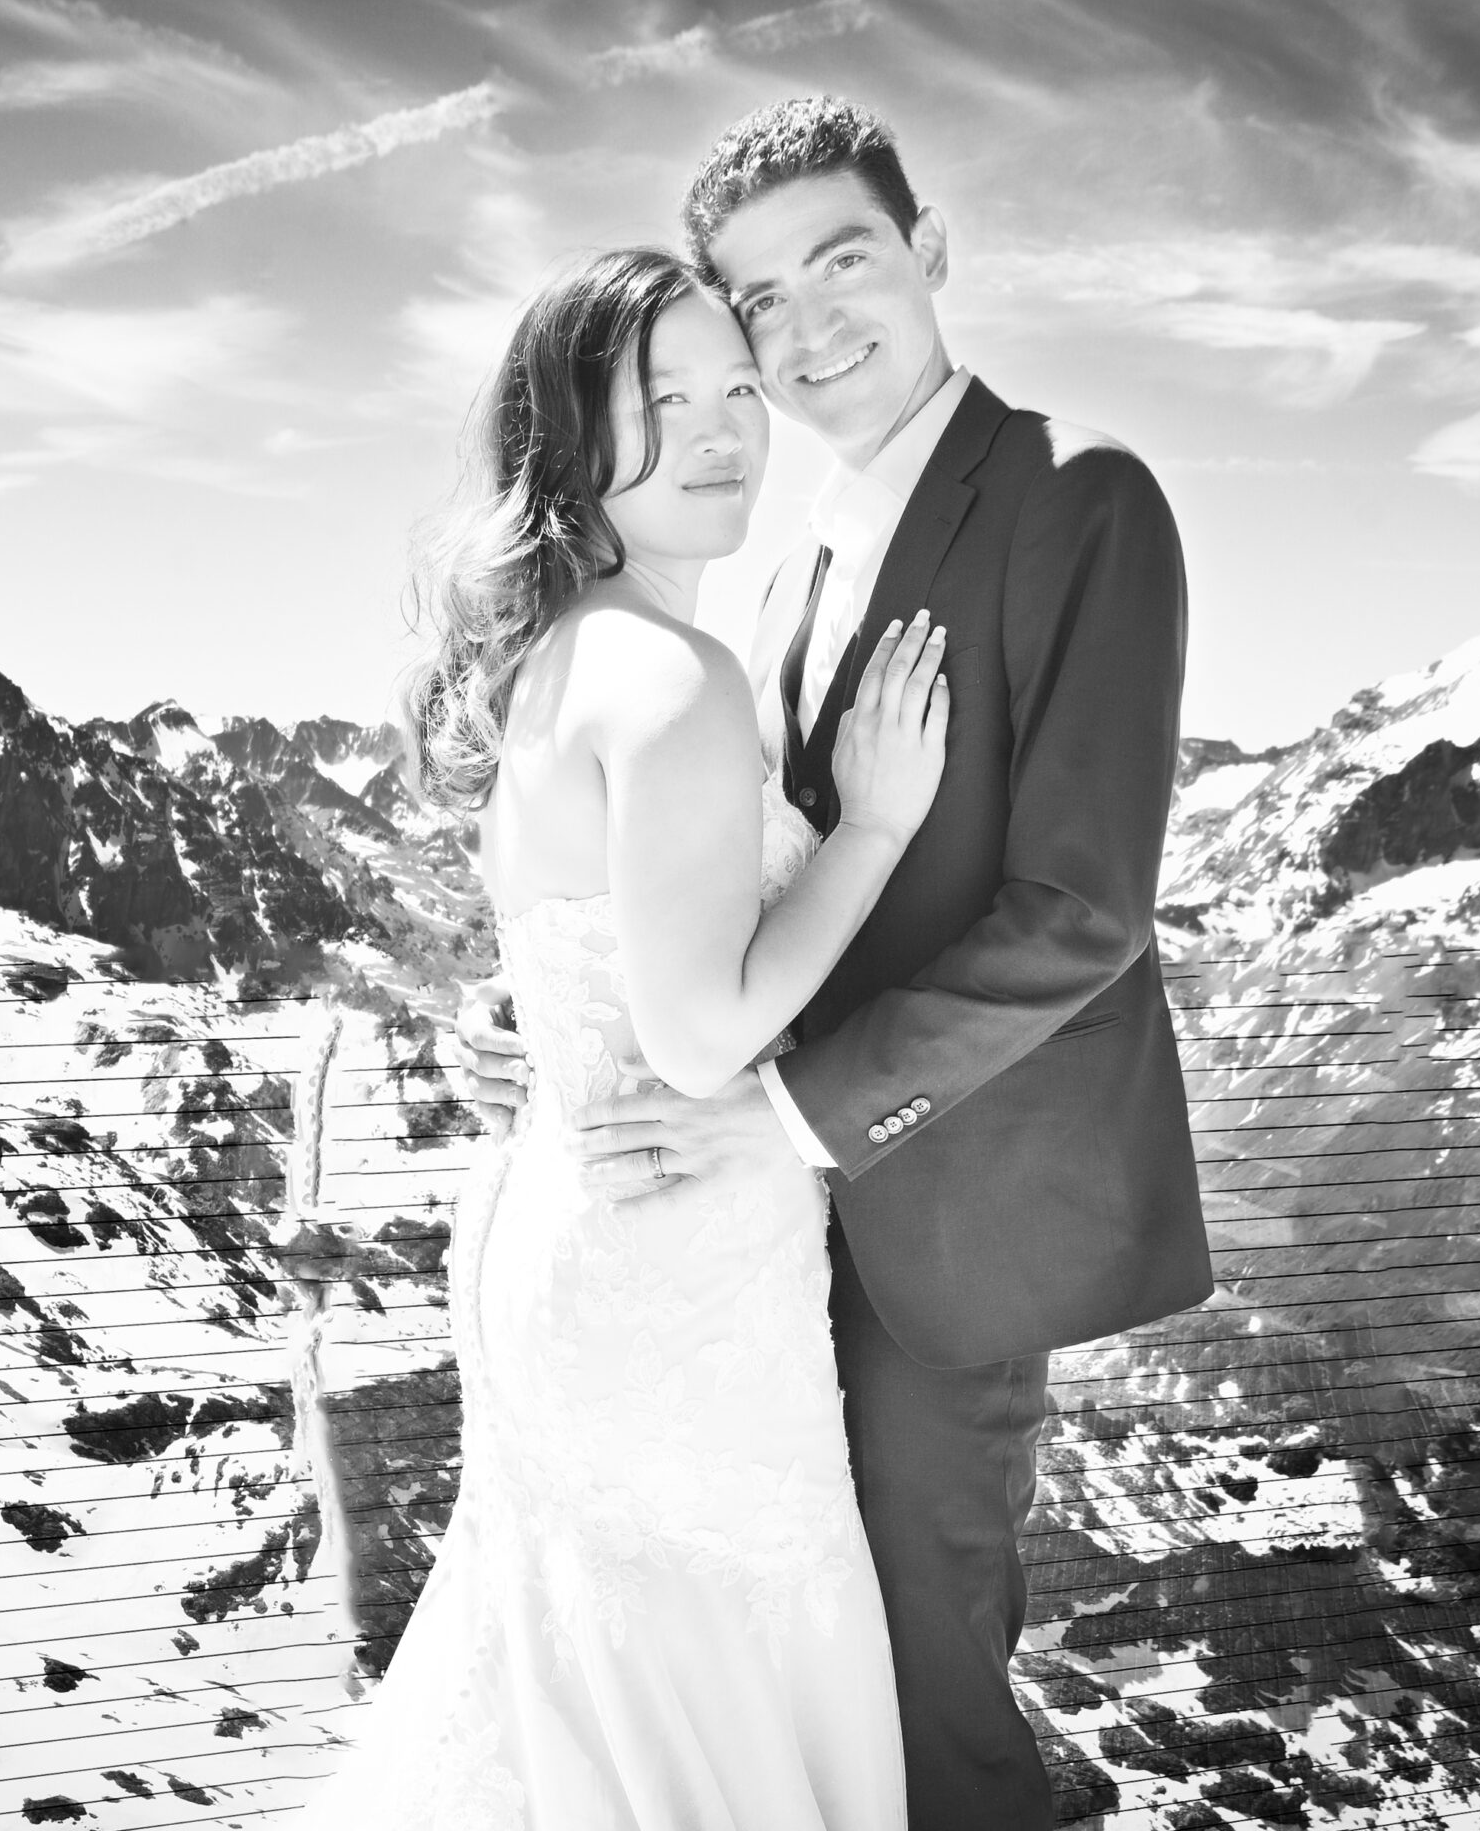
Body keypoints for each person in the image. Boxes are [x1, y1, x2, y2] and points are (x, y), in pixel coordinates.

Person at [458, 97, 1214, 1828]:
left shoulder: (1078, 496)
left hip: (935, 1219)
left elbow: (1083, 914)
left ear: (930, 252)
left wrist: (786, 1117)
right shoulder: (784, 561)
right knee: (821, 1718)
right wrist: (566, 1023)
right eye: (759, 302)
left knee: (930, 1711)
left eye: (844, 261)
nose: (804, 331)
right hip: (764, 1252)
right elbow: (720, 888)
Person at [305, 244, 948, 1829]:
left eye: (741, 389)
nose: (726, 431)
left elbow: (585, 950)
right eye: (668, 400)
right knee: (713, 1710)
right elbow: (704, 1031)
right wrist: (876, 829)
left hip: (579, 1238)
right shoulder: (674, 675)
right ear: (576, 439)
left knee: (589, 1717)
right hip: (675, 1277)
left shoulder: (561, 655)